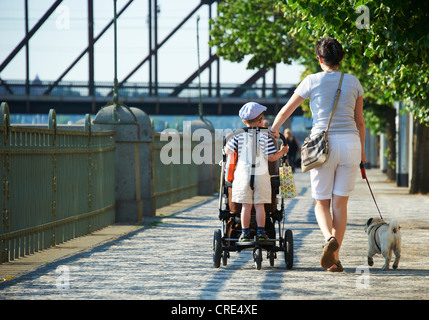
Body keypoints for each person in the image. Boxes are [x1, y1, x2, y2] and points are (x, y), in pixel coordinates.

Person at [269, 37, 366, 272]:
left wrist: (273, 130)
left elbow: (286, 110)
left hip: (322, 146)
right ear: (341, 58)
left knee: (320, 201)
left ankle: (328, 239)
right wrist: (362, 154)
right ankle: (335, 257)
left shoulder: (311, 81)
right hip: (350, 145)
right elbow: (360, 122)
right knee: (340, 204)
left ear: (319, 58)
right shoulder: (354, 82)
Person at [225, 102, 288, 242]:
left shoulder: (237, 135)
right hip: (261, 175)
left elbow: (228, 150)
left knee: (246, 206)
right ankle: (260, 233)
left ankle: (245, 233)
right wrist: (282, 152)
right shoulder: (266, 136)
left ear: (243, 121)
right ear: (261, 120)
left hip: (242, 174)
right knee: (260, 206)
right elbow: (271, 157)